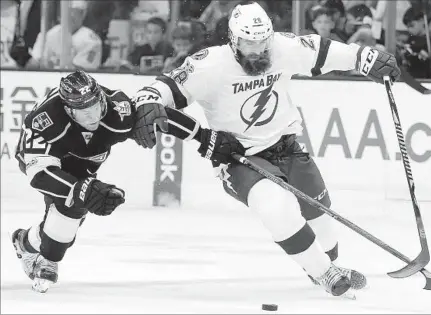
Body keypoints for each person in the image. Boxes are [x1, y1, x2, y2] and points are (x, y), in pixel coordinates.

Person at [131, 1, 400, 298]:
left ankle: (325, 263)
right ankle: (324, 273)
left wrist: (365, 57)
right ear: (233, 39)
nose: (258, 50)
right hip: (238, 158)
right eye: (249, 42)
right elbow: (164, 88)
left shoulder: (283, 47)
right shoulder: (209, 64)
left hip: (287, 147)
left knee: (322, 222)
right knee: (276, 206)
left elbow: (325, 50)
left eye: (262, 42)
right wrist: (148, 100)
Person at [12, 70, 149, 293]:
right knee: (72, 208)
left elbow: (155, 111)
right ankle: (48, 257)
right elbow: (39, 175)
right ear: (68, 110)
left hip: (82, 163)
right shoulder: (44, 118)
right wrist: (81, 189)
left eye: (96, 106)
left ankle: (24, 241)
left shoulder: (116, 107)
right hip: (49, 160)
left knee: (67, 226)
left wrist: (203, 138)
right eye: (84, 111)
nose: (94, 116)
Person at [25, 0, 102, 70]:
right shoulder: (49, 34)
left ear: (83, 15)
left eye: (75, 12)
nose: (70, 16)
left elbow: (82, 72)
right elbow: (33, 64)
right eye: (67, 12)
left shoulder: (91, 41)